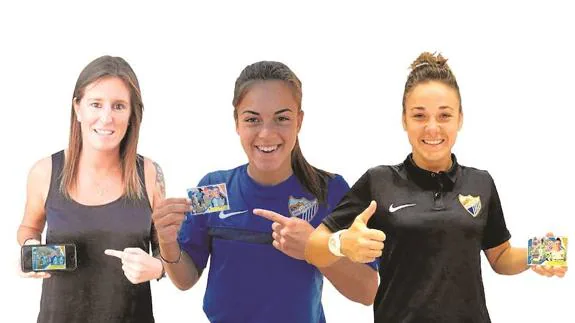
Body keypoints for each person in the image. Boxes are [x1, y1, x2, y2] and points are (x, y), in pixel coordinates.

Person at [304, 52, 567, 322]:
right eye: (419, 116)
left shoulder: (481, 183)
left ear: (459, 119)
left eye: (444, 116)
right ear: (404, 120)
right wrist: (340, 243)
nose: (432, 128)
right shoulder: (378, 181)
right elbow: (313, 247)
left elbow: (500, 256)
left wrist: (541, 254)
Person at [152, 61, 378, 322]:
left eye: (282, 118)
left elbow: (367, 291)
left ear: (299, 121)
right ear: (237, 122)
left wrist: (317, 248)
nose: (267, 133)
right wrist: (167, 242)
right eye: (252, 119)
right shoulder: (213, 189)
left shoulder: (330, 190)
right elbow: (185, 280)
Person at [16, 55, 165, 323]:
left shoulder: (150, 173)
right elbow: (29, 228)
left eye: (119, 106)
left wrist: (157, 268)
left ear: (132, 114)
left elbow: (166, 249)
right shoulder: (44, 172)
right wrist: (30, 249)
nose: (106, 118)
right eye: (96, 104)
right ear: (78, 108)